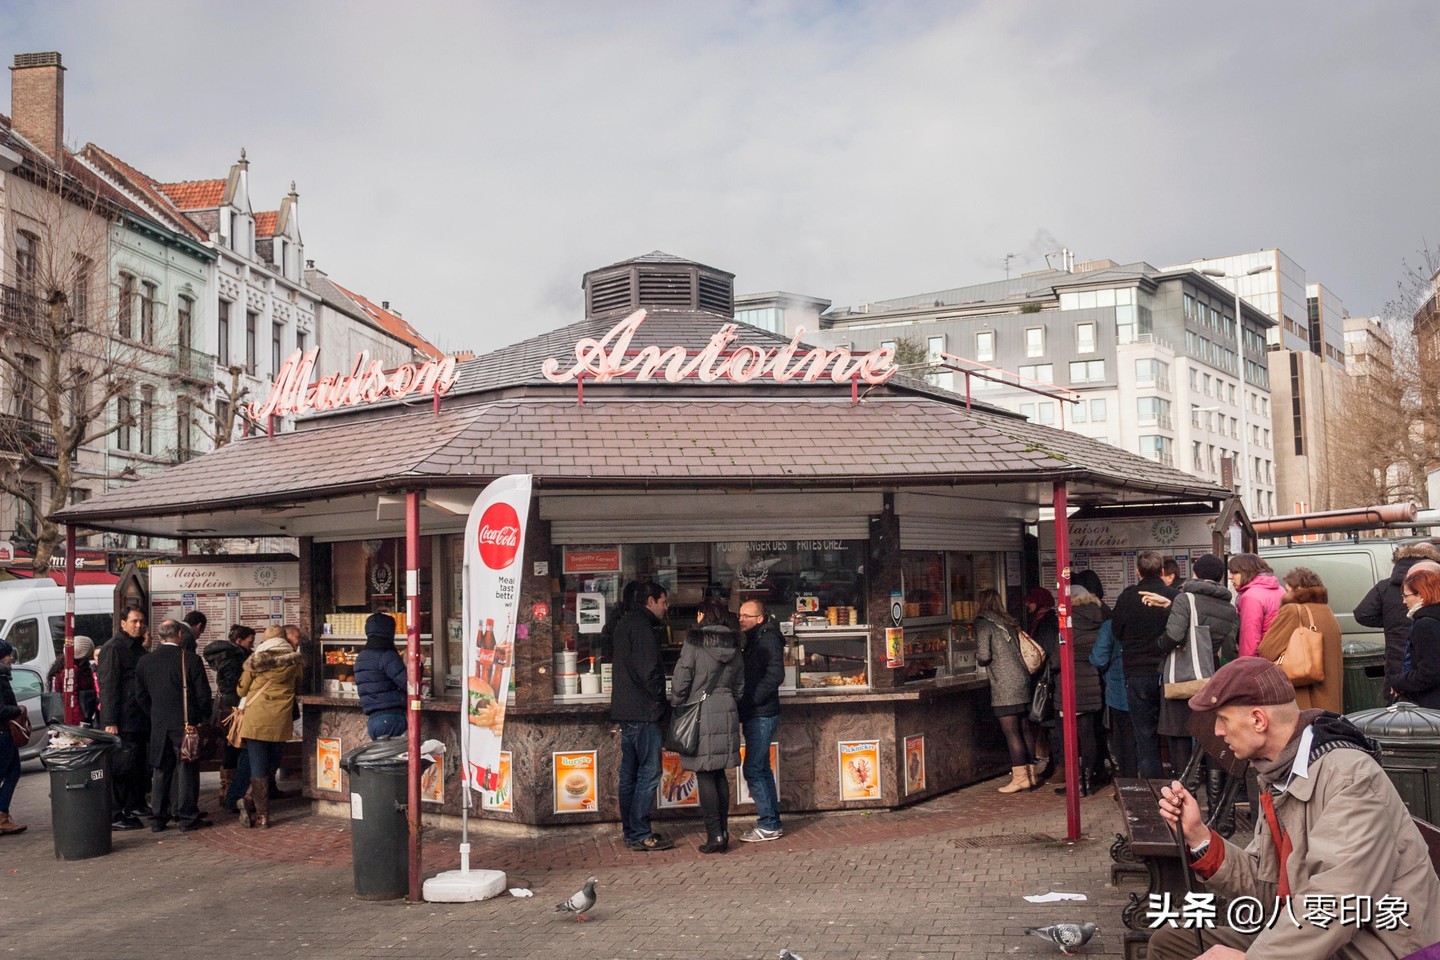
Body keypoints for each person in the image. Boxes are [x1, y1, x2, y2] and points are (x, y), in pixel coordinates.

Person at [1152, 657, 1440, 959]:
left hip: (1374, 947)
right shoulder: (1280, 771)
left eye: (1223, 719)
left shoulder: (1347, 776)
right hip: (1323, 935)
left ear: (1258, 720)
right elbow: (1271, 887)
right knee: (1169, 942)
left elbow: (1338, 904)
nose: (1218, 731)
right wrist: (1198, 836)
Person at [1160, 554, 1239, 830]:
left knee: (1181, 742)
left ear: (1194, 572)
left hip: (1186, 680)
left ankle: (1184, 812)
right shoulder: (1229, 606)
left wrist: (1159, 645)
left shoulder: (1186, 599)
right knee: (1213, 742)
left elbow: (1173, 635)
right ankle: (1219, 817)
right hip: (1213, 679)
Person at [609, 582, 674, 852]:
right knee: (649, 772)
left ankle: (630, 830)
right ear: (650, 600)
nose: (666, 607)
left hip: (626, 710)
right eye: (663, 602)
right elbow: (650, 672)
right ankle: (640, 833)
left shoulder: (624, 623)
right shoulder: (644, 628)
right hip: (643, 711)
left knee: (630, 774)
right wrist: (660, 701)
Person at [669, 624, 744, 853]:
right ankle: (723, 832)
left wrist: (678, 704)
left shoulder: (694, 644)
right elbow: (740, 687)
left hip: (700, 711)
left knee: (705, 772)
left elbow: (681, 681)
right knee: (719, 772)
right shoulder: (734, 645)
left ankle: (715, 836)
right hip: (727, 709)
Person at [134, 619, 213, 832]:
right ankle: (187, 816)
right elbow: (203, 695)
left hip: (159, 724)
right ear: (179, 634)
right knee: (186, 768)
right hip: (185, 724)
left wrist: (154, 713)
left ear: (160, 637)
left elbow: (140, 695)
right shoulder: (190, 660)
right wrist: (203, 716)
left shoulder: (145, 661)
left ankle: (158, 818)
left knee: (160, 770)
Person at [1112, 551, 1178, 778]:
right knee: (1175, 733)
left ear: (1138, 572)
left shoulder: (1126, 598)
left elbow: (1116, 631)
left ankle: (1154, 787)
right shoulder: (1174, 596)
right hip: (1169, 672)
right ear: (1162, 572)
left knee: (1144, 734)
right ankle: (1181, 785)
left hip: (1137, 672)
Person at [1354, 541, 1440, 702]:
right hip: (1416, 678)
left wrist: (1390, 622)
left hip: (1400, 664)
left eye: (1406, 597)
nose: (1404, 602)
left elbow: (1362, 614)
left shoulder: (1385, 586)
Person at [235, 625, 303, 829]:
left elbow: (241, 690)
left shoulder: (255, 660)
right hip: (280, 719)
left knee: (258, 766)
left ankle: (261, 813)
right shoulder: (295, 661)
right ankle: (250, 802)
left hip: (256, 719)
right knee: (272, 764)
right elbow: (299, 686)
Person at [1257, 566, 1343, 713]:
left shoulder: (1293, 610)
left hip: (1305, 696)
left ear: (1298, 588)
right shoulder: (1326, 611)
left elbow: (1267, 650)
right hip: (1329, 695)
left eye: (1288, 589)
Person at [976, 588, 1037, 793]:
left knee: (1011, 732)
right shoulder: (1008, 622)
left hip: (1005, 684)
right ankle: (1031, 775)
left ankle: (1020, 778)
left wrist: (977, 655)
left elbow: (984, 655)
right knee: (1024, 728)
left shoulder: (983, 623)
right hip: (1021, 679)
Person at [736, 599, 786, 838]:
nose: (741, 619)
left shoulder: (767, 638)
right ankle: (771, 821)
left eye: (747, 616)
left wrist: (753, 698)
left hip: (762, 713)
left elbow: (776, 674)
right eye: (740, 615)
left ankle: (769, 824)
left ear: (760, 618)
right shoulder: (755, 638)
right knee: (761, 768)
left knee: (754, 769)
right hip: (756, 712)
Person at [98, 605, 150, 831]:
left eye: (141, 622)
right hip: (122, 719)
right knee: (121, 767)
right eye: (134, 621)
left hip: (138, 717)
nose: (138, 626)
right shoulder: (114, 648)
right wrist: (110, 722)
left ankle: (135, 804)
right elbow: (108, 687)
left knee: (137, 765)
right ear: (122, 623)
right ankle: (116, 813)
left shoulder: (138, 648)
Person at [1054, 581, 1106, 797]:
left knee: (1070, 737)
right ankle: (1088, 781)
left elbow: (1057, 660)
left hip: (1070, 684)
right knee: (1089, 734)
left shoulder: (1067, 623)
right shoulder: (1100, 617)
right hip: (1093, 683)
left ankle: (1075, 783)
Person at [205, 624, 255, 811]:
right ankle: (230, 795)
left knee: (231, 749)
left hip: (225, 707)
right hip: (234, 708)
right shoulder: (234, 658)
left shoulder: (226, 655)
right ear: (239, 641)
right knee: (236, 748)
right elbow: (237, 686)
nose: (252, 646)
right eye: (250, 642)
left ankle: (225, 791)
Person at [1090, 605, 1134, 779]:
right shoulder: (1149, 621)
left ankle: (1128, 782)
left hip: (1119, 689)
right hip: (1150, 685)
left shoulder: (1111, 625)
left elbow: (1098, 658)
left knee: (1124, 738)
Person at [1024, 587, 1060, 781]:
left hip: (1046, 679)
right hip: (1044, 678)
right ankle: (1054, 764)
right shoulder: (1041, 620)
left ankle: (1057, 765)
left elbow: (1042, 651)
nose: (1027, 605)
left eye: (1030, 601)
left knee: (1050, 724)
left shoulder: (1046, 623)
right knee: (1047, 724)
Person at [1391, 567, 1440, 708]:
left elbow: (1430, 673)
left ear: (1421, 595)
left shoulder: (1425, 624)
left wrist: (1399, 682)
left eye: (1406, 596)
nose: (1404, 602)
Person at [354, 612, 407, 740]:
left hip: (373, 722)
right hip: (391, 719)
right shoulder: (386, 655)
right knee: (397, 759)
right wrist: (418, 665)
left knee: (382, 759)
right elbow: (409, 683)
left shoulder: (361, 657)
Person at [1228, 553, 1283, 659]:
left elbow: (1250, 639)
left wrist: (1245, 666)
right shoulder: (1280, 589)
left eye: (1234, 572)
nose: (1230, 577)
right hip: (1280, 657)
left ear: (1246, 572)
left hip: (1262, 660)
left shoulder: (1251, 597)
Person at [0, 639, 27, 835]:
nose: (11, 658)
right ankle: (1, 816)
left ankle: (2, 814)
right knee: (9, 773)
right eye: (8, 654)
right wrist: (17, 709)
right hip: (3, 733)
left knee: (13, 772)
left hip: (5, 733)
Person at [46, 634, 98, 725]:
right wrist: (79, 723)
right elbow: (72, 698)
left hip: (74, 716)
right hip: (76, 718)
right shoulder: (73, 670)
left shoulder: (64, 667)